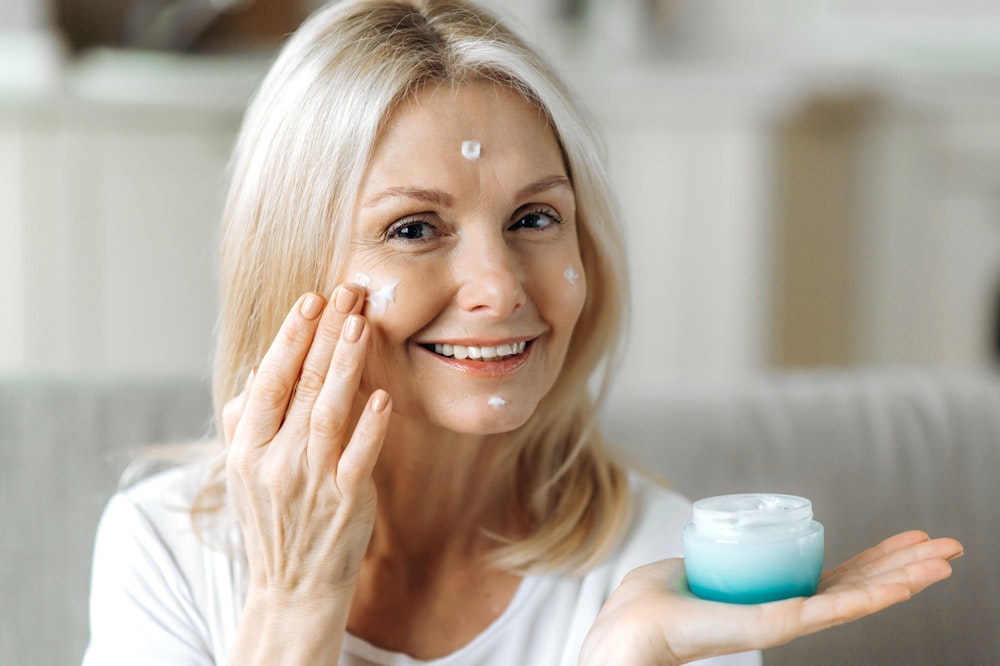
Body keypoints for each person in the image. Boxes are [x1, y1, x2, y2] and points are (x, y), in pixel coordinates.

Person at [82, 1, 963, 664]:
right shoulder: (164, 549)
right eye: (415, 228)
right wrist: (294, 599)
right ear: (293, 274)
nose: (500, 287)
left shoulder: (668, 564)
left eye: (535, 218)